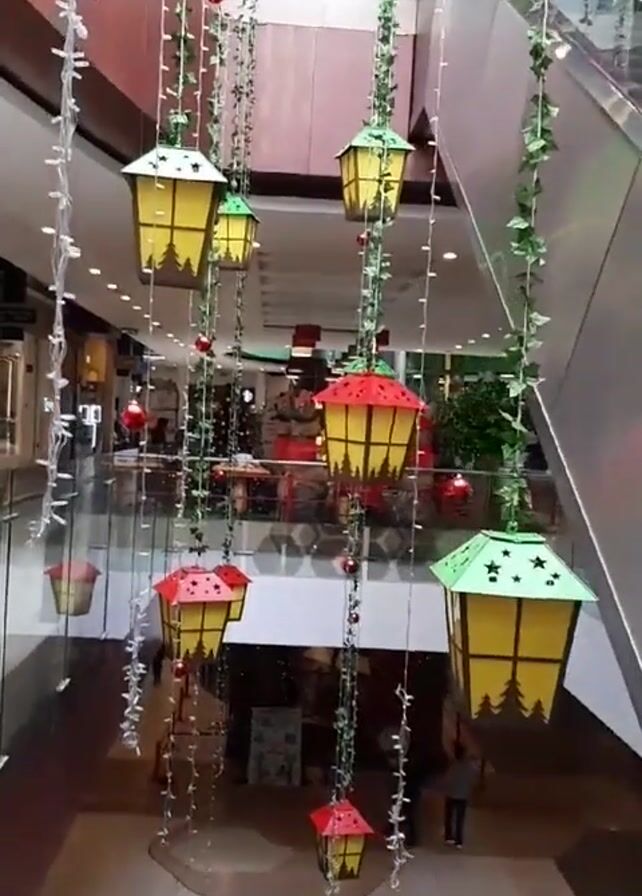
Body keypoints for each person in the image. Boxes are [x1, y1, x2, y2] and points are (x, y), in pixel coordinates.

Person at [443, 742, 476, 848]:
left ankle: (449, 836)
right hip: (463, 795)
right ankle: (459, 840)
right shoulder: (469, 766)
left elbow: (447, 779)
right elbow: (472, 779)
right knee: (460, 818)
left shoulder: (452, 765)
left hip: (451, 793)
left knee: (449, 816)